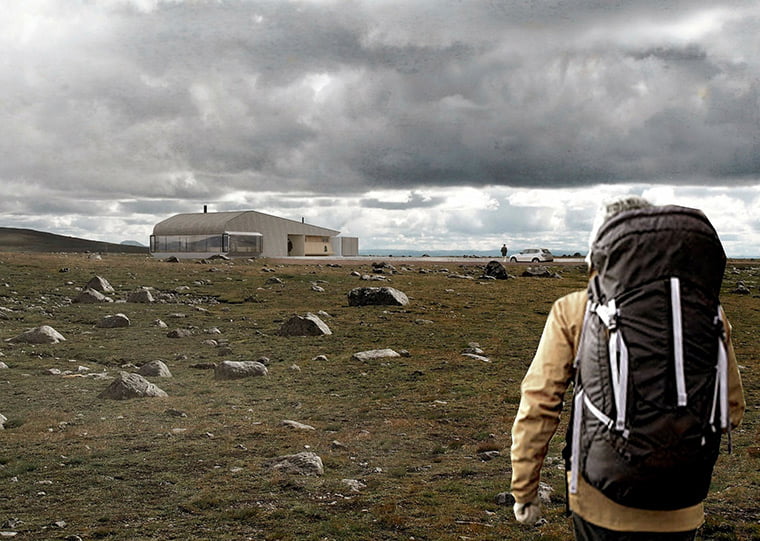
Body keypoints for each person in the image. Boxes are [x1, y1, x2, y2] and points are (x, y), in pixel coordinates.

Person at [510, 196, 745, 540]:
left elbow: (538, 407)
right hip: (682, 500)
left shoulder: (575, 309)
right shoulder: (709, 313)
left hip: (600, 499)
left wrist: (525, 491)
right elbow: (732, 409)